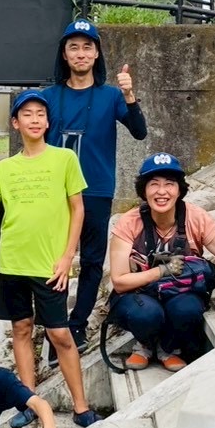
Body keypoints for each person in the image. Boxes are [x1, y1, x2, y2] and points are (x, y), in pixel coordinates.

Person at [0, 90, 99, 428]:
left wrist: (68, 256)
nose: (35, 119)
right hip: (12, 263)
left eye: (41, 113)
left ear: (47, 121)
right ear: (16, 123)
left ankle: (81, 407)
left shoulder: (64, 159)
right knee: (21, 329)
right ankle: (29, 401)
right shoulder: (6, 168)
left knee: (61, 335)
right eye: (27, 114)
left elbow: (78, 209)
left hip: (49, 264)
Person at [43, 18, 148, 353]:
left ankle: (78, 324)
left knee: (90, 261)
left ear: (97, 53)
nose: (81, 53)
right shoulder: (47, 97)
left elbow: (139, 131)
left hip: (96, 189)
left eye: (88, 46)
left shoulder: (111, 96)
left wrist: (130, 96)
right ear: (64, 54)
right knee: (53, 260)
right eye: (73, 47)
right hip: (54, 191)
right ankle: (55, 325)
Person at [107, 153, 215, 370]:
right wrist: (162, 271)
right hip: (139, 294)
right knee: (146, 314)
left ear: (179, 189)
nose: (161, 192)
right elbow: (119, 281)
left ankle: (168, 347)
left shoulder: (195, 217)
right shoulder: (129, 222)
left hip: (180, 292)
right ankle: (145, 343)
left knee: (188, 309)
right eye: (154, 184)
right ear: (144, 190)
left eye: (169, 184)